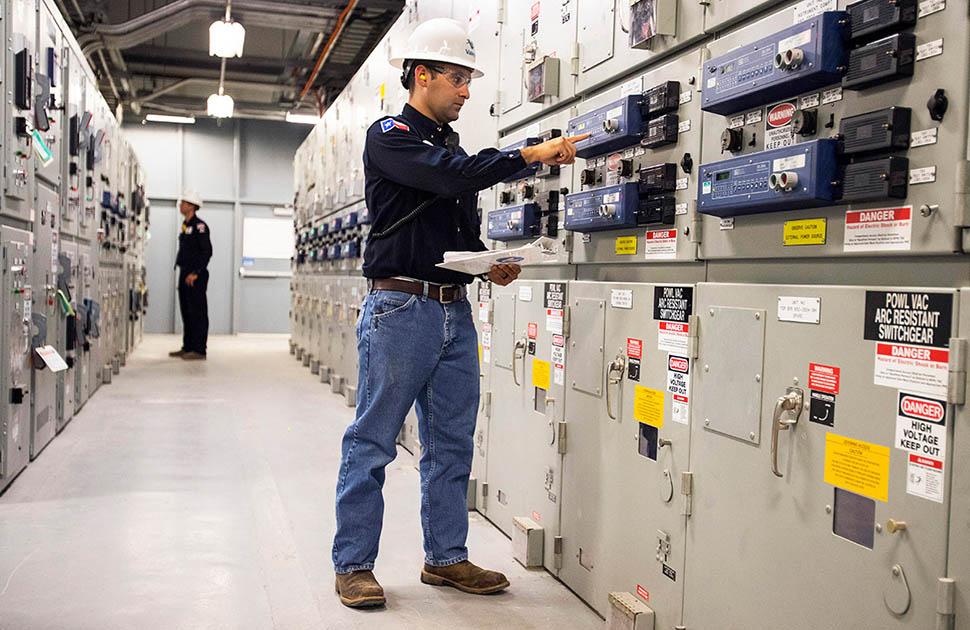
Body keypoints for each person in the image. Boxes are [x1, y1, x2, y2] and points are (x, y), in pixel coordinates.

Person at [331, 17, 588, 609]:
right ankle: (352, 564)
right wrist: (530, 153)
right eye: (457, 79)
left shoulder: (450, 146)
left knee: (451, 442)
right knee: (373, 441)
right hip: (401, 308)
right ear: (422, 77)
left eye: (470, 79)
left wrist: (485, 264)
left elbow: (455, 222)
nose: (467, 91)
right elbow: (450, 178)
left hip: (452, 308)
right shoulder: (390, 135)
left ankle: (445, 558)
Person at [169, 190, 212, 361]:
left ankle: (199, 350)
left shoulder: (200, 227)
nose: (181, 205)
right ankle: (188, 346)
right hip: (185, 272)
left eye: (184, 203)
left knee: (198, 312)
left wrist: (196, 273)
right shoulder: (186, 225)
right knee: (186, 311)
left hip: (196, 275)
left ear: (192, 206)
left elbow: (207, 252)